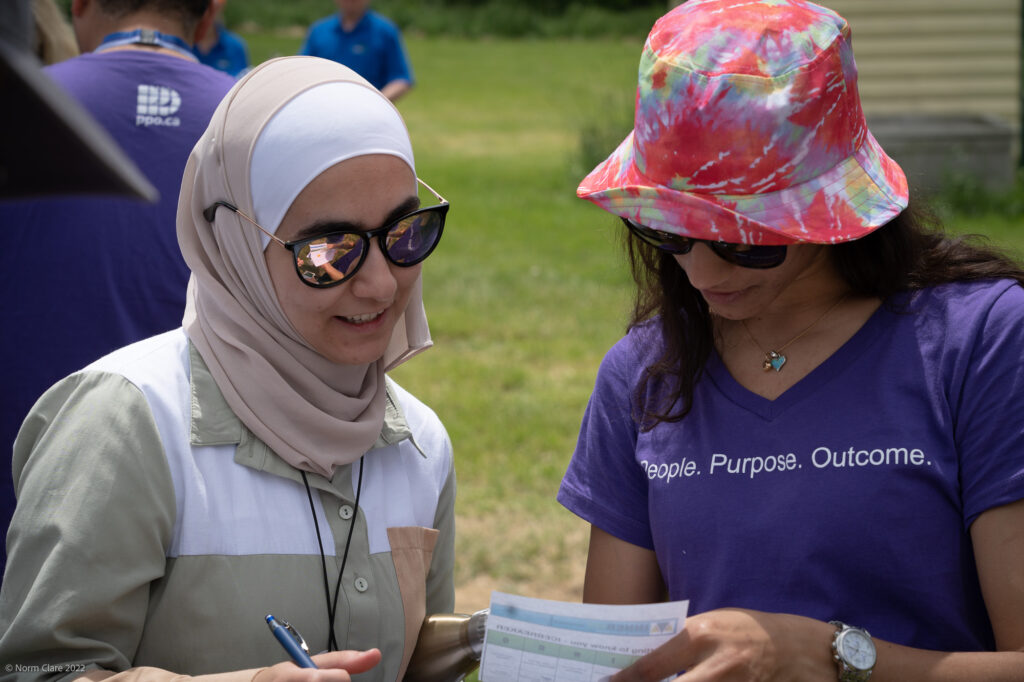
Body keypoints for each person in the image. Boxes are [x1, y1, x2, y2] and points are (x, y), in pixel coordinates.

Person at [556, 1, 1024, 680]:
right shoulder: (644, 373)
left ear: (835, 211)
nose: (699, 271)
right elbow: (612, 664)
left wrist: (829, 657)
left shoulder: (981, 341)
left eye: (742, 242)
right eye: (666, 230)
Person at [0, 56, 454, 682]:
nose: (380, 284)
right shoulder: (125, 425)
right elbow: (36, 671)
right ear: (234, 245)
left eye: (406, 231)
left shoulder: (419, 445)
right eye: (328, 251)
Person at [0, 0, 235, 571]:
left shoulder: (14, 110)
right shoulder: (255, 123)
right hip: (209, 515)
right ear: (209, 17)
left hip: (20, 496)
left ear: (78, 6)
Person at [300, 0, 413, 102]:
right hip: (323, 110)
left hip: (369, 116)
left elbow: (401, 79)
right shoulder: (318, 31)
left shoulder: (385, 31)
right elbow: (301, 72)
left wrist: (376, 103)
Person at [193, 0, 249, 77]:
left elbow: (242, 82)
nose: (206, 13)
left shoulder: (235, 46)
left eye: (211, 8)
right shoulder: (181, 45)